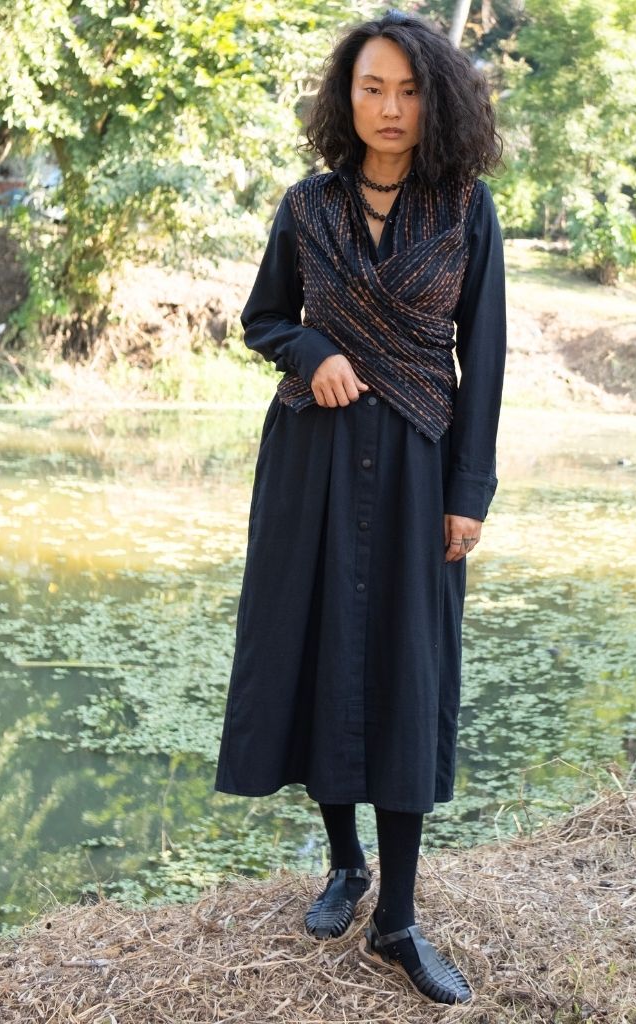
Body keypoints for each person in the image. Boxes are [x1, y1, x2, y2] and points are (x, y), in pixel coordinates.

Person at [214, 7, 506, 1006]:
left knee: (406, 670)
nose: (390, 107)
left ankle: (400, 919)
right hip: (314, 460)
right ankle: (346, 863)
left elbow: (485, 359)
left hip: (422, 464)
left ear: (438, 101)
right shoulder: (307, 206)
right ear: (347, 98)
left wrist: (469, 493)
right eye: (372, 87)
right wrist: (312, 351)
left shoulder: (465, 209)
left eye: (409, 90)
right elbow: (263, 319)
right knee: (318, 651)